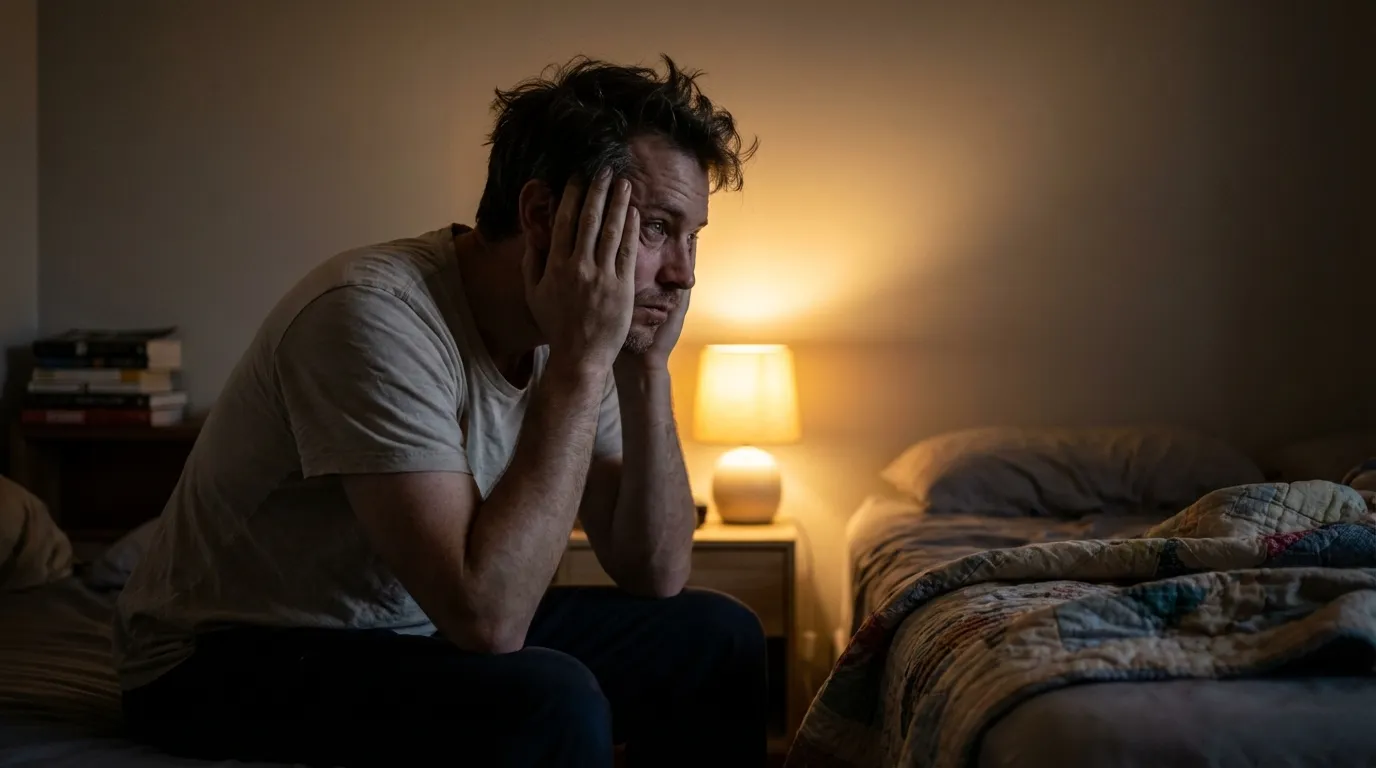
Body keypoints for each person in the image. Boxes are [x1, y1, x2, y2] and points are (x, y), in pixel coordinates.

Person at [114, 55, 764, 767]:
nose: (684, 273)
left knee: (719, 636)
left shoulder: (581, 327)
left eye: (692, 236)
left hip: (418, 628)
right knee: (551, 695)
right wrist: (581, 367)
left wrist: (647, 368)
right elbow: (486, 619)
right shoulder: (370, 314)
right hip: (220, 657)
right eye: (657, 229)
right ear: (545, 216)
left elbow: (655, 572)